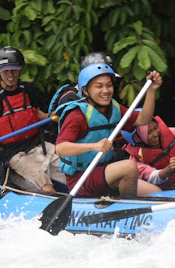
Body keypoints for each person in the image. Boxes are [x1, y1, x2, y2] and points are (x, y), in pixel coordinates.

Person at [0, 46, 65, 192]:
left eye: (14, 70)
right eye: (5, 71)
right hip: (15, 153)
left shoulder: (28, 89)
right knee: (46, 185)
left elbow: (35, 113)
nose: (10, 75)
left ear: (20, 69)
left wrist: (51, 117)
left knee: (71, 166)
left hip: (39, 145)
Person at [55, 63, 163, 198]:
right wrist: (94, 146)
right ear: (86, 91)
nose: (106, 90)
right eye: (99, 86)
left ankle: (124, 204)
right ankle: (128, 210)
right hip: (82, 179)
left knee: (155, 192)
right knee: (129, 167)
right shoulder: (77, 115)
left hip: (104, 174)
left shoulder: (114, 108)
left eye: (109, 85)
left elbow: (143, 119)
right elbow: (60, 148)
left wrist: (151, 91)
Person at [121, 116, 175, 190]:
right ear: (137, 137)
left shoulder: (172, 132)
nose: (155, 134)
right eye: (149, 132)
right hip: (171, 190)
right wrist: (168, 168)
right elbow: (151, 177)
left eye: (156, 128)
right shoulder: (135, 159)